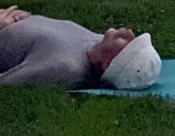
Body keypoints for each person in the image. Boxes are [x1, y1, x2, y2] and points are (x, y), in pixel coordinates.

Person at [0, 5, 161, 89]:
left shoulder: (65, 67)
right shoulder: (97, 42)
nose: (129, 33)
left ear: (107, 65)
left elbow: (6, 84)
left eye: (128, 45)